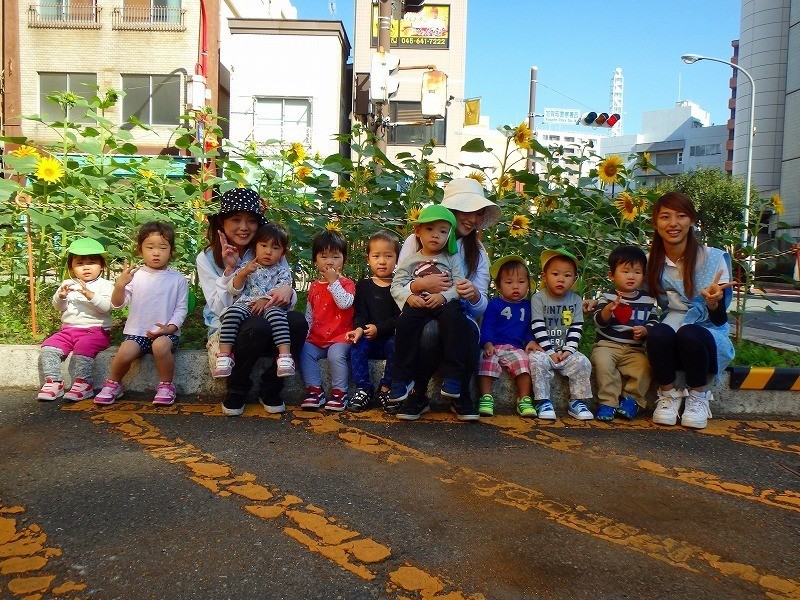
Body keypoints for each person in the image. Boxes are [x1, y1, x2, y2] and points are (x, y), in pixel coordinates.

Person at [396, 178, 501, 420]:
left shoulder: (478, 251)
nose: (472, 219)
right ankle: (419, 393)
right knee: (431, 329)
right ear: (451, 211)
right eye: (467, 211)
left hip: (457, 312)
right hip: (421, 310)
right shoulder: (417, 240)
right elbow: (399, 282)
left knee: (463, 327)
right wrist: (419, 285)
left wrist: (473, 295)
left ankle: (461, 393)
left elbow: (480, 306)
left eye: (478, 213)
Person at [196, 187, 307, 417]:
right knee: (257, 326)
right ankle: (237, 386)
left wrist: (288, 290)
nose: (244, 227)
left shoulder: (270, 247)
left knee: (297, 321)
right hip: (233, 331)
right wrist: (230, 270)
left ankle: (272, 386)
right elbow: (218, 308)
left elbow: (285, 288)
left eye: (251, 221)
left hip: (271, 321)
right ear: (222, 223)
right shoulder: (207, 258)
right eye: (236, 219)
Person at [645, 192, 736, 429]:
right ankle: (667, 395)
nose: (673, 223)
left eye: (681, 216)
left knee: (690, 334)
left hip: (706, 333)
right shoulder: (650, 261)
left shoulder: (714, 258)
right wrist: (599, 302)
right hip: (673, 328)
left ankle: (698, 397)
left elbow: (719, 319)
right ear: (655, 223)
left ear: (692, 220)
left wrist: (714, 302)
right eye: (665, 216)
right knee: (657, 333)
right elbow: (637, 296)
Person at [390, 205, 473, 419]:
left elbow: (459, 285)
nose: (436, 235)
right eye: (429, 229)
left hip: (444, 303)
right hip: (419, 302)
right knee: (405, 323)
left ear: (450, 235)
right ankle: (402, 379)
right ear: (418, 231)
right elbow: (396, 286)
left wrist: (443, 296)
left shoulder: (452, 258)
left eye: (443, 231)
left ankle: (453, 376)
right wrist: (409, 297)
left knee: (456, 321)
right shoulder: (410, 260)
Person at [94, 222, 188, 406]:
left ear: (171, 251)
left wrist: (170, 328)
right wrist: (120, 285)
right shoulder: (134, 276)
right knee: (126, 351)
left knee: (160, 347)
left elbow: (181, 308)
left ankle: (166, 385)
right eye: (150, 247)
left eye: (163, 247)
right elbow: (117, 304)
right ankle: (113, 383)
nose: (156, 252)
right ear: (140, 249)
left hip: (166, 333)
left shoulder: (178, 279)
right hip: (137, 333)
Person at [37, 238, 115, 402]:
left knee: (83, 348)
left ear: (101, 265)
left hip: (95, 332)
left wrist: (88, 294)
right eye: (79, 263)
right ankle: (54, 382)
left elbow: (107, 307)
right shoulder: (67, 284)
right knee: (48, 348)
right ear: (71, 267)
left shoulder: (106, 285)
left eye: (92, 262)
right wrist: (61, 296)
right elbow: (58, 307)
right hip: (68, 331)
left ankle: (83, 383)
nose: (86, 267)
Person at [213, 223, 294, 379]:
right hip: (247, 304)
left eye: (275, 248)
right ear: (255, 246)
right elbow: (233, 289)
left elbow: (282, 291)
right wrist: (243, 273)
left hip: (271, 306)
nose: (268, 252)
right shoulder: (246, 266)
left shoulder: (282, 271)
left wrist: (265, 300)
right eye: (264, 245)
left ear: (283, 252)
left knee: (278, 317)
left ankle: (284, 356)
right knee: (233, 312)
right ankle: (224, 355)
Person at [590, 245, 659, 422]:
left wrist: (645, 330)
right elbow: (598, 321)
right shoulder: (607, 297)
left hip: (634, 350)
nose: (631, 276)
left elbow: (654, 321)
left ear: (643, 275)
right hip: (607, 345)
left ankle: (632, 399)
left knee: (645, 367)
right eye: (626, 271)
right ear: (612, 275)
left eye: (637, 272)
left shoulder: (648, 300)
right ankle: (608, 402)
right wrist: (607, 310)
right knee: (603, 364)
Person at [529, 248, 595, 421]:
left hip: (565, 351)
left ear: (574, 280)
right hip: (543, 350)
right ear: (544, 277)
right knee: (536, 362)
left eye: (567, 275)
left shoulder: (575, 300)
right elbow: (538, 325)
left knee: (583, 362)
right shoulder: (538, 298)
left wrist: (569, 350)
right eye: (555, 274)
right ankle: (542, 400)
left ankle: (577, 401)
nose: (561, 279)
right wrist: (549, 351)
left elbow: (576, 327)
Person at [345, 230, 401, 412]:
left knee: (398, 344)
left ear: (397, 258)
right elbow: (360, 312)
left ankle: (386, 388)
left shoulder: (398, 286)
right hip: (369, 338)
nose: (382, 261)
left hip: (389, 340)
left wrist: (379, 328)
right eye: (376, 256)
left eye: (388, 256)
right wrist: (359, 329)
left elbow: (400, 318)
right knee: (357, 344)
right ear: (368, 259)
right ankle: (363, 388)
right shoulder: (364, 285)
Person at [300, 230, 355, 412]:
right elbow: (310, 313)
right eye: (324, 256)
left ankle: (340, 393)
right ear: (315, 260)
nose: (329, 262)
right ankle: (314, 390)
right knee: (304, 351)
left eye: (335, 257)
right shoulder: (314, 286)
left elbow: (345, 303)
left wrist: (333, 283)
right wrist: (306, 335)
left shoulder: (347, 283)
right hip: (318, 337)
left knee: (335, 355)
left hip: (341, 336)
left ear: (344, 260)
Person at [477, 256, 539, 417]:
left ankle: (524, 399)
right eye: (509, 282)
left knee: (524, 363)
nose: (515, 287)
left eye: (521, 282)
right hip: (495, 345)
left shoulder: (528, 307)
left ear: (529, 284)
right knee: (486, 361)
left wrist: (531, 340)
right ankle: (486, 396)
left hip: (516, 347)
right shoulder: (494, 304)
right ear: (498, 286)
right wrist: (487, 343)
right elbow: (487, 325)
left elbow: (528, 329)